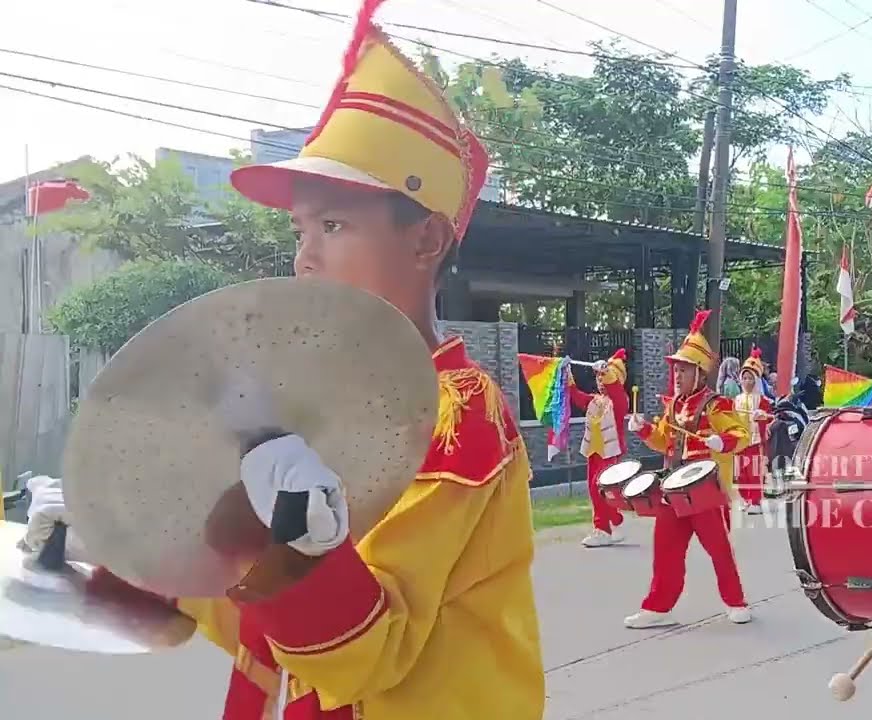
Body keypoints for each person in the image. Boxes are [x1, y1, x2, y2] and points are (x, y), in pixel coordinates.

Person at [19, 5, 545, 718]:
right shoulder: (309, 408)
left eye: (334, 224)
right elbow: (256, 612)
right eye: (301, 230)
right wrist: (117, 544)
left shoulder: (453, 415)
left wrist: (299, 551)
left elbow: (368, 655)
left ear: (425, 241)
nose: (306, 257)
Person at [624, 310, 752, 628]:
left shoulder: (715, 404)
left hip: (705, 489)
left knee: (719, 550)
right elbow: (664, 442)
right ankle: (658, 607)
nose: (677, 375)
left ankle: (736, 602)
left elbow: (742, 435)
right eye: (675, 369)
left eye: (683, 369)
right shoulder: (673, 406)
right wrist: (643, 429)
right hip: (673, 487)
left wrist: (721, 441)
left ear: (700, 372)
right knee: (665, 549)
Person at [568, 348, 630, 547]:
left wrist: (606, 370)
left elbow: (615, 390)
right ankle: (615, 521)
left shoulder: (619, 401)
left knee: (600, 487)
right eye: (598, 377)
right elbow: (577, 396)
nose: (601, 381)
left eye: (605, 377)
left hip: (610, 453)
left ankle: (603, 529)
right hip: (593, 452)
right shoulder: (594, 401)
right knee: (595, 489)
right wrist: (567, 373)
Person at [733, 346, 773, 515]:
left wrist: (763, 415)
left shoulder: (763, 400)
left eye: (750, 378)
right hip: (740, 442)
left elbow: (772, 418)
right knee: (741, 474)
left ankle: (756, 501)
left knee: (754, 473)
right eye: (744, 378)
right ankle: (746, 499)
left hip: (755, 443)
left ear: (756, 381)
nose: (747, 381)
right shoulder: (736, 400)